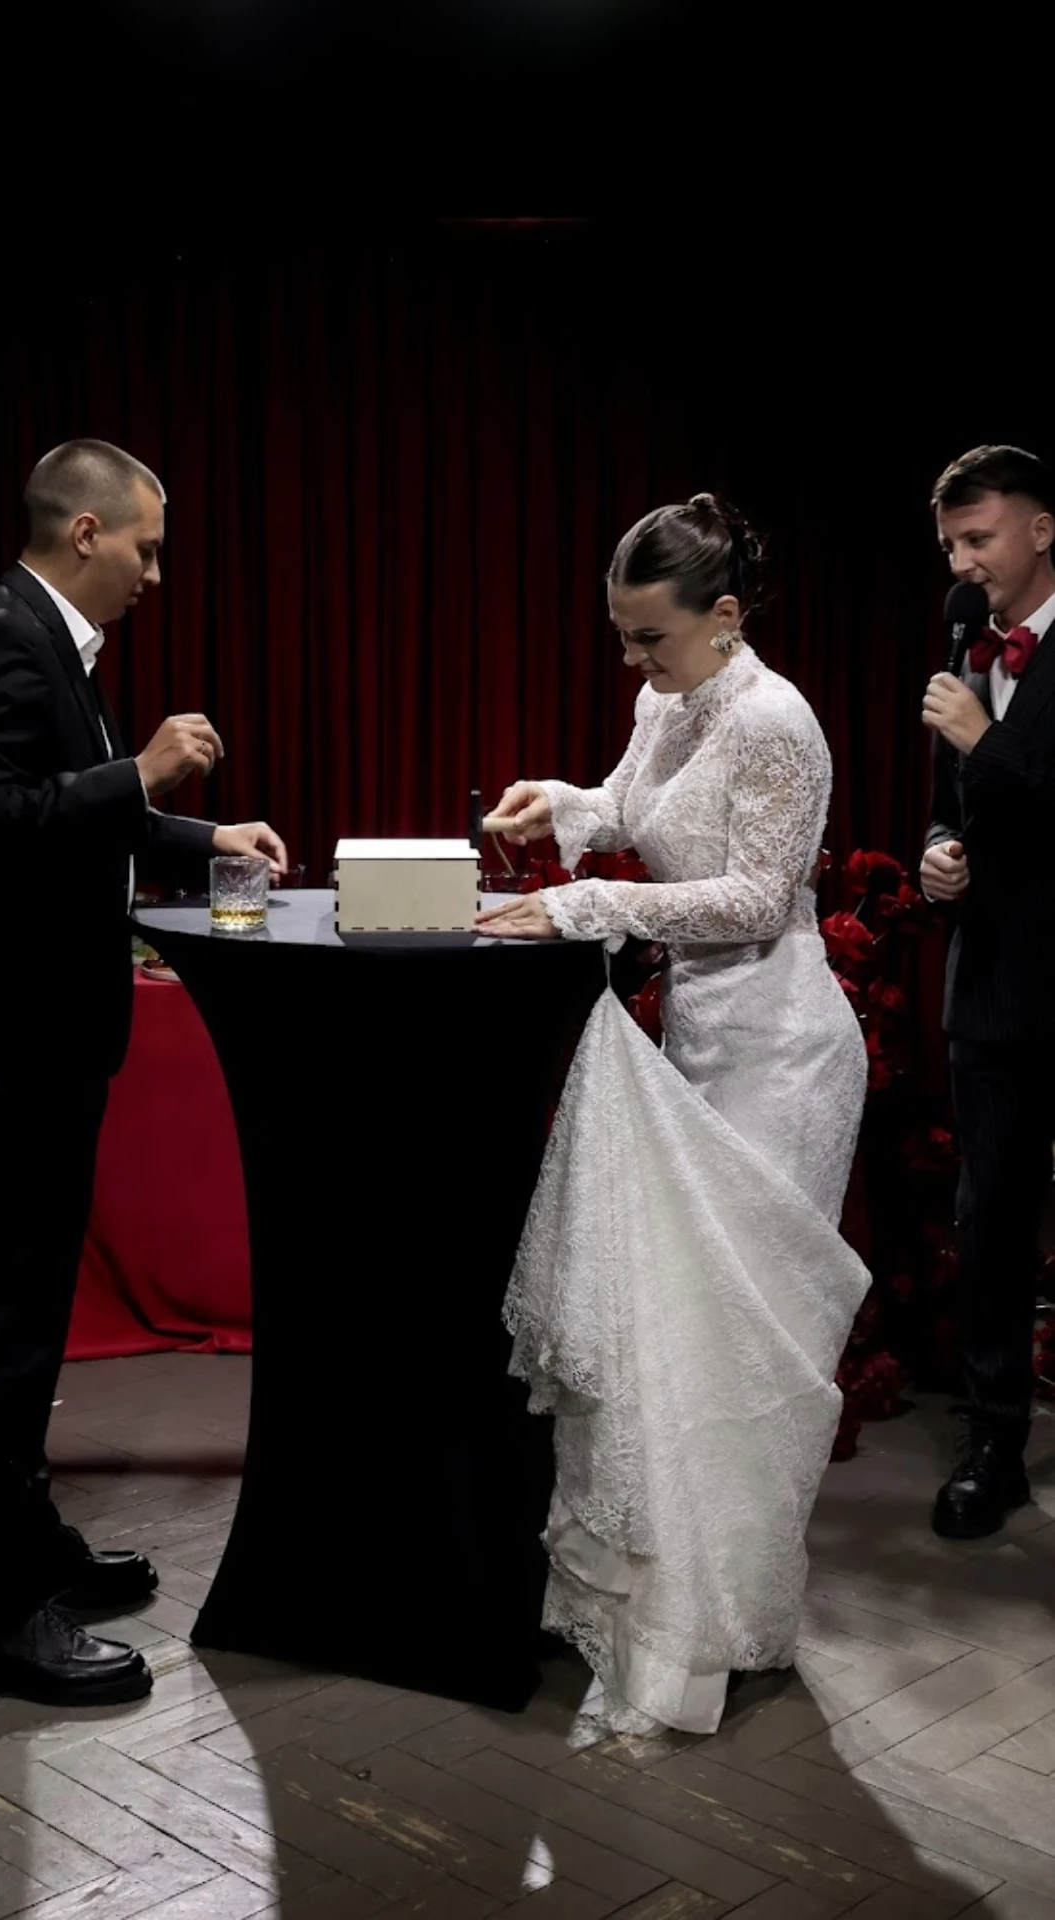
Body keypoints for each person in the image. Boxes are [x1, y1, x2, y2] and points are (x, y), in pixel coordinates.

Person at [477, 494, 869, 1735]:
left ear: (726, 616)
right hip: (696, 1031)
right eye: (622, 637)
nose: (632, 662)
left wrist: (590, 907)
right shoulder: (668, 703)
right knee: (676, 1328)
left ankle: (726, 1619)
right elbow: (630, 807)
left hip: (785, 1050)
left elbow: (757, 896)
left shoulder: (776, 720)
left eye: (649, 638)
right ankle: (667, 1603)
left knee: (744, 1339)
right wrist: (562, 801)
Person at [0, 438, 286, 1705]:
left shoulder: (47, 642)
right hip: (11, 1042)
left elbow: (74, 814)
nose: (155, 574)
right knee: (8, 1337)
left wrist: (200, 832)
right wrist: (143, 773)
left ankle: (29, 1553)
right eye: (146, 548)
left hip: (48, 1040)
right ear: (85, 532)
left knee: (32, 1326)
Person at [920, 444, 1055, 1540]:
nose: (963, 562)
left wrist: (990, 744)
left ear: (1041, 530)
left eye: (979, 537)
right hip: (993, 988)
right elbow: (948, 803)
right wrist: (938, 854)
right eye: (950, 545)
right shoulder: (964, 655)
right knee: (991, 1222)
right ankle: (993, 1447)